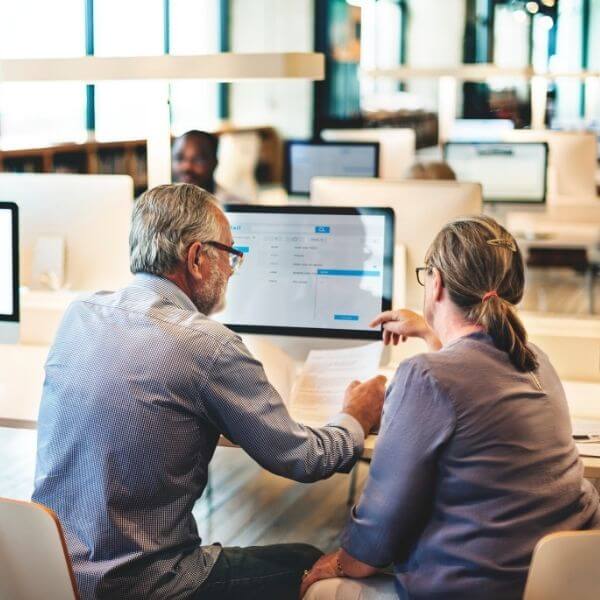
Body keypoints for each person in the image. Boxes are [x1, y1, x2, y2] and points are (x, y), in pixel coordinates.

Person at [32, 183, 386, 600]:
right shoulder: (207, 346)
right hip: (143, 585)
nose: (232, 271)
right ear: (198, 258)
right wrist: (356, 416)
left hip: (53, 573)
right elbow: (304, 459)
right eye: (231, 256)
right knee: (307, 559)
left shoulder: (79, 313)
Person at [301, 215, 600, 600]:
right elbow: (473, 377)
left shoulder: (425, 378)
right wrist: (432, 332)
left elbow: (374, 539)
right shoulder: (536, 359)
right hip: (562, 582)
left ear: (436, 282)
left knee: (321, 589)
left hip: (474, 587)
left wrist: (337, 563)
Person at [171, 130, 244, 203]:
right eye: (179, 158)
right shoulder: (162, 207)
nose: (187, 167)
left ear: (214, 163)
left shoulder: (235, 208)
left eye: (198, 160)